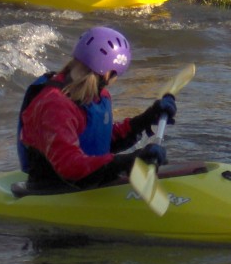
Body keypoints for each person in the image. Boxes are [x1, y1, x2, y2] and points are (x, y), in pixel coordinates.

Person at [18, 26, 177, 191]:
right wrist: (129, 162)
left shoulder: (97, 96)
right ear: (108, 74)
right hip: (55, 190)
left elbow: (99, 138)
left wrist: (145, 120)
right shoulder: (54, 105)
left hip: (85, 182)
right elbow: (70, 167)